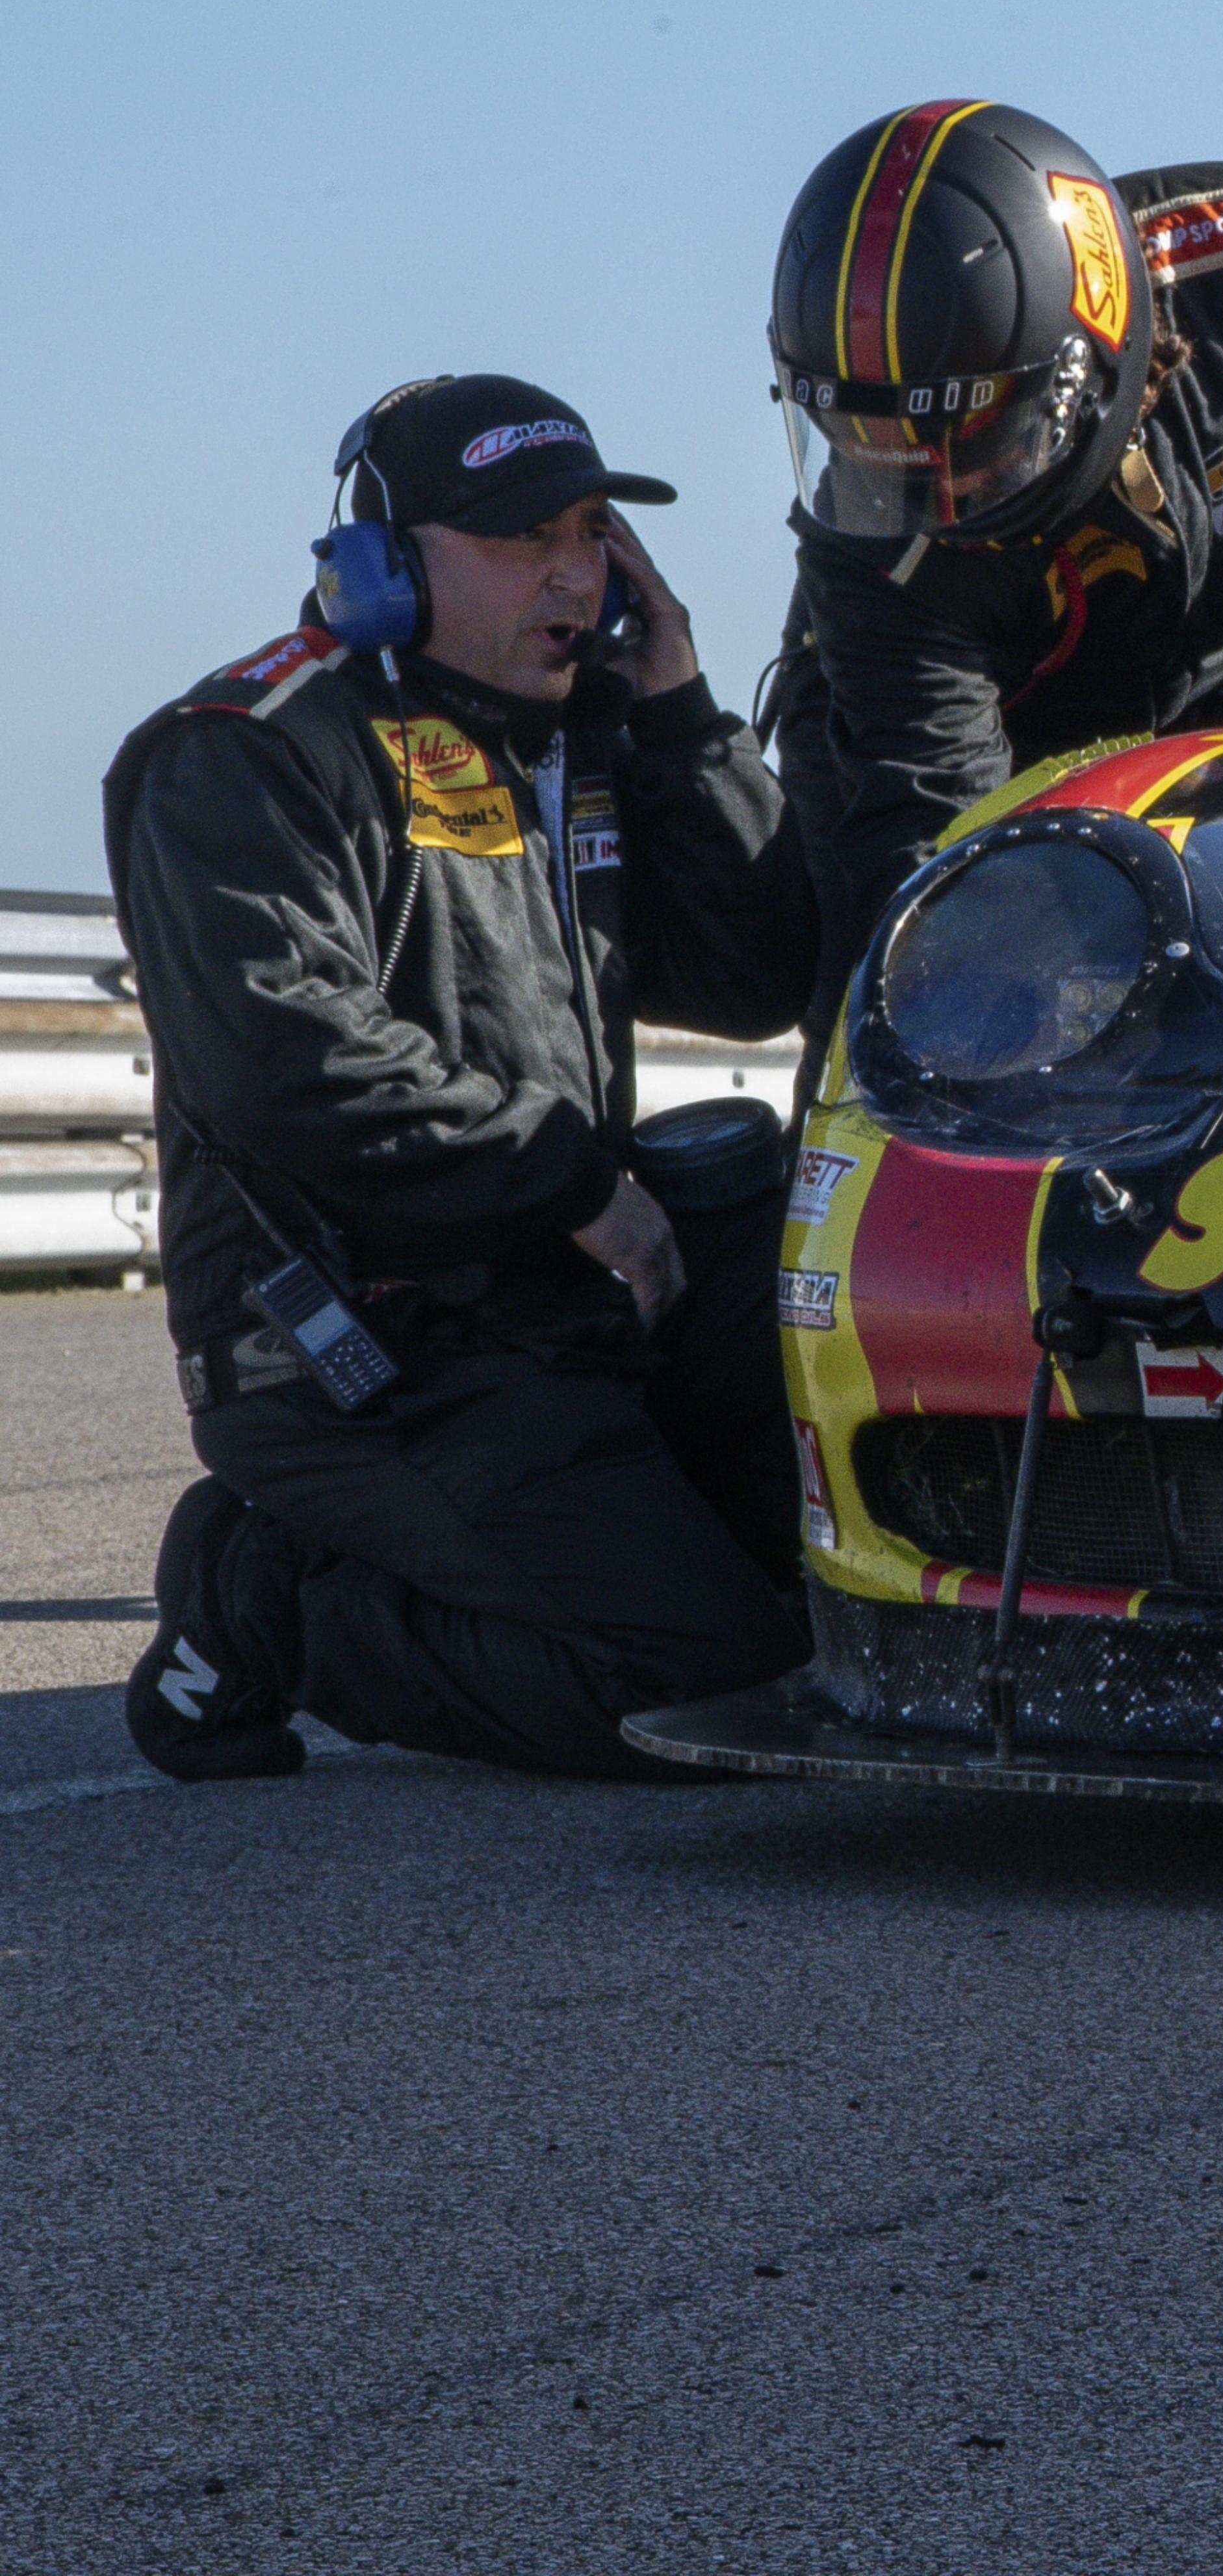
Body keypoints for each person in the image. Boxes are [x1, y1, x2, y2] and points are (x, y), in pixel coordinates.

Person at [105, 379, 821, 1781]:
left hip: (565, 1312)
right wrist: (570, 1182)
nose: (576, 572)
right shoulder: (243, 753)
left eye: (592, 529)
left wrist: (681, 718)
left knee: (832, 1589)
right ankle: (260, 1594)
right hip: (361, 1349)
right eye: (520, 538)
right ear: (379, 563)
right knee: (710, 1689)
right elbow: (282, 1059)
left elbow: (753, 977)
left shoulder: (577, 751)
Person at [765, 102, 1223, 1039]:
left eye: (969, 437)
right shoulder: (874, 548)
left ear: (1086, 366)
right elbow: (940, 828)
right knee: (916, 997)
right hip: (971, 740)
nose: (936, 490)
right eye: (867, 438)